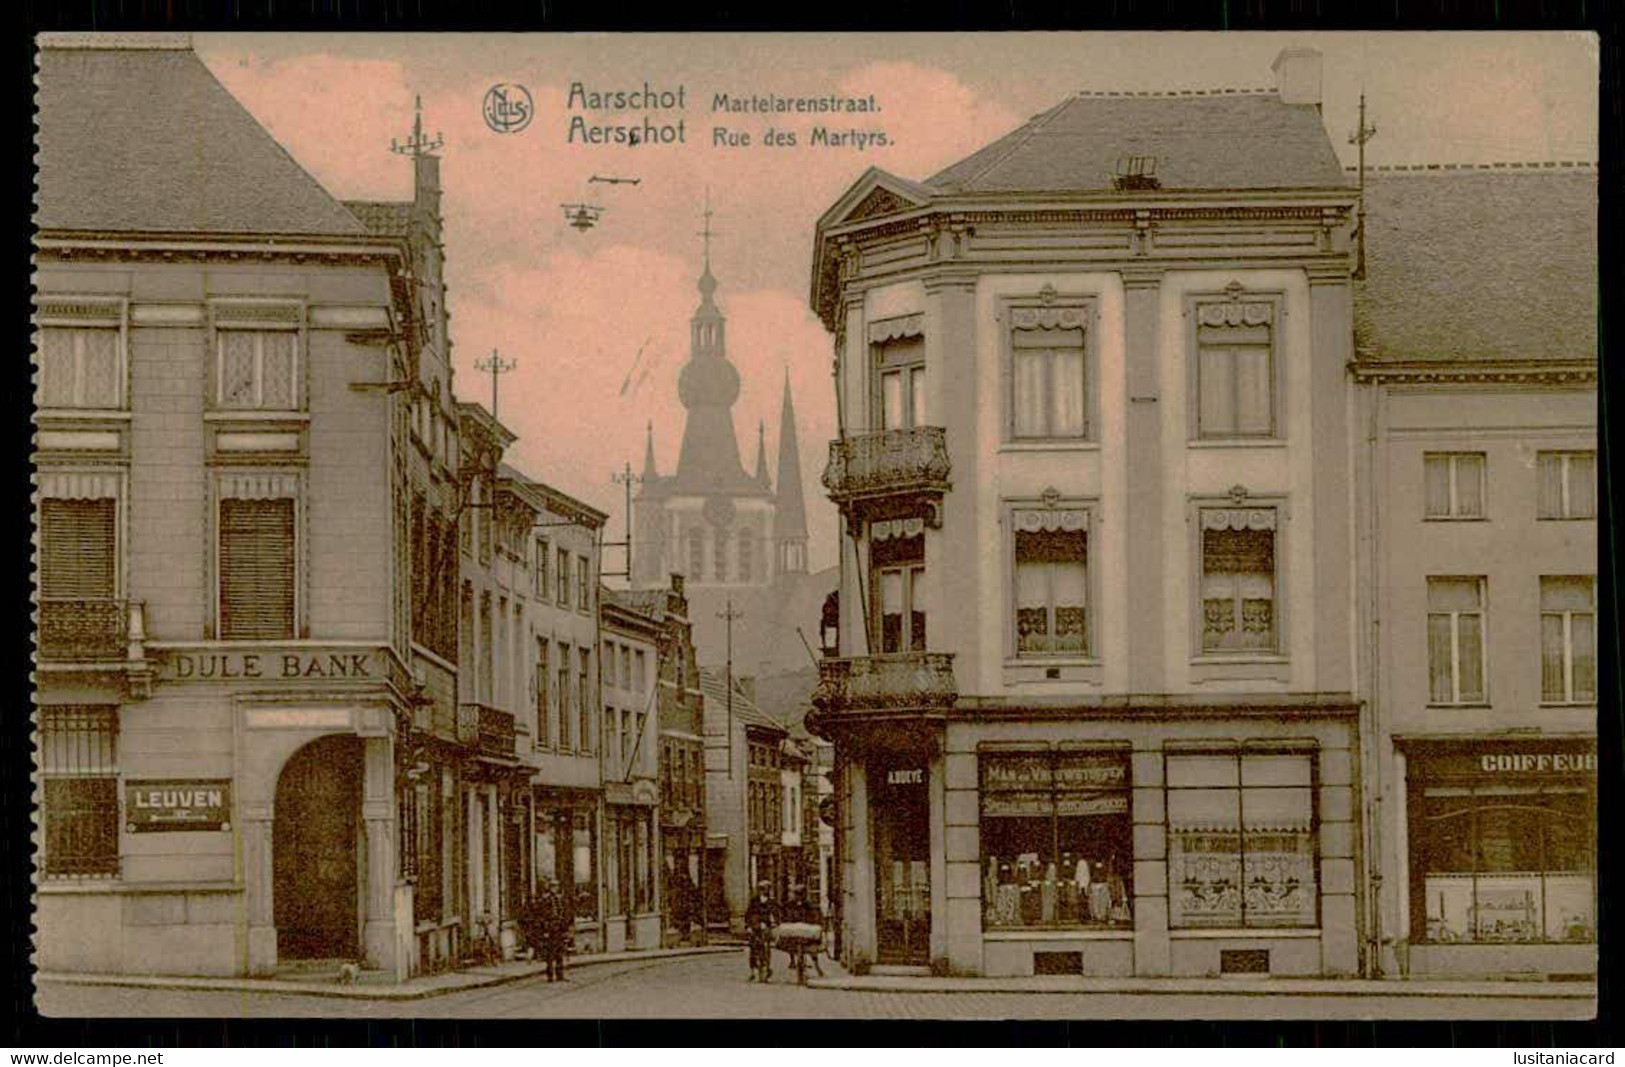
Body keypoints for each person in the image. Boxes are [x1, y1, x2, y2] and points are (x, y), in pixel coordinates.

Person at [535, 879, 569, 982]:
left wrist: (564, 929)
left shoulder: (560, 899)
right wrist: (544, 931)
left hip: (559, 928)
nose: (555, 888)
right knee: (550, 953)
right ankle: (550, 975)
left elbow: (563, 914)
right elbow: (542, 916)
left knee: (560, 952)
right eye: (553, 886)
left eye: (556, 886)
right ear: (549, 888)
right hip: (550, 929)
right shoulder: (545, 900)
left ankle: (560, 975)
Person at [743, 879, 777, 982]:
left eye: (766, 889)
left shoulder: (771, 902)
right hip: (754, 927)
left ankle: (766, 969)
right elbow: (748, 914)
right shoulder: (754, 901)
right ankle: (753, 971)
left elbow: (774, 915)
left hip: (765, 928)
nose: (764, 891)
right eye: (762, 889)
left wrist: (771, 924)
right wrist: (748, 926)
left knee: (766, 949)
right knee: (753, 949)